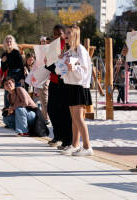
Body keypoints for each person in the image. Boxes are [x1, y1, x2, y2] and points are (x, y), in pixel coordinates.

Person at [59, 24, 93, 156]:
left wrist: (73, 68)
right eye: (65, 32)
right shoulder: (69, 51)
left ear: (75, 34)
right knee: (74, 118)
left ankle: (87, 146)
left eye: (68, 32)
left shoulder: (81, 50)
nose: (65, 35)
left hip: (79, 87)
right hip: (71, 86)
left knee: (79, 118)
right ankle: (75, 145)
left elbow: (85, 71)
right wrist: (60, 63)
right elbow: (61, 71)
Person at [44, 24, 73, 149]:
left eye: (59, 34)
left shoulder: (66, 46)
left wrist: (48, 65)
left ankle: (65, 139)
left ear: (64, 34)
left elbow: (59, 67)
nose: (57, 36)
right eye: (54, 34)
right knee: (51, 110)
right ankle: (57, 135)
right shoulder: (52, 46)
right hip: (53, 82)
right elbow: (51, 64)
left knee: (63, 112)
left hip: (63, 82)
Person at [1, 35, 24, 108]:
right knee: (7, 93)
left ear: (13, 42)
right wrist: (3, 62)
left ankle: (18, 111)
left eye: (10, 41)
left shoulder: (16, 52)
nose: (9, 43)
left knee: (17, 93)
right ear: (5, 43)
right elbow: (4, 69)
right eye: (7, 41)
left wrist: (22, 78)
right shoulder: (4, 54)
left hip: (18, 74)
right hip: (10, 74)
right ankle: (7, 111)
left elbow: (21, 66)